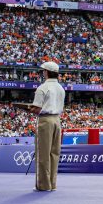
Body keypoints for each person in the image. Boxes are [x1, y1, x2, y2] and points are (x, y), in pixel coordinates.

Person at [23, 61, 66, 191]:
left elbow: (36, 109)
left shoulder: (42, 87)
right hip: (57, 120)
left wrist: (26, 108)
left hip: (45, 120)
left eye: (43, 71)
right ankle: (52, 183)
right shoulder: (61, 88)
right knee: (54, 153)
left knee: (43, 153)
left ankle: (43, 184)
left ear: (46, 72)